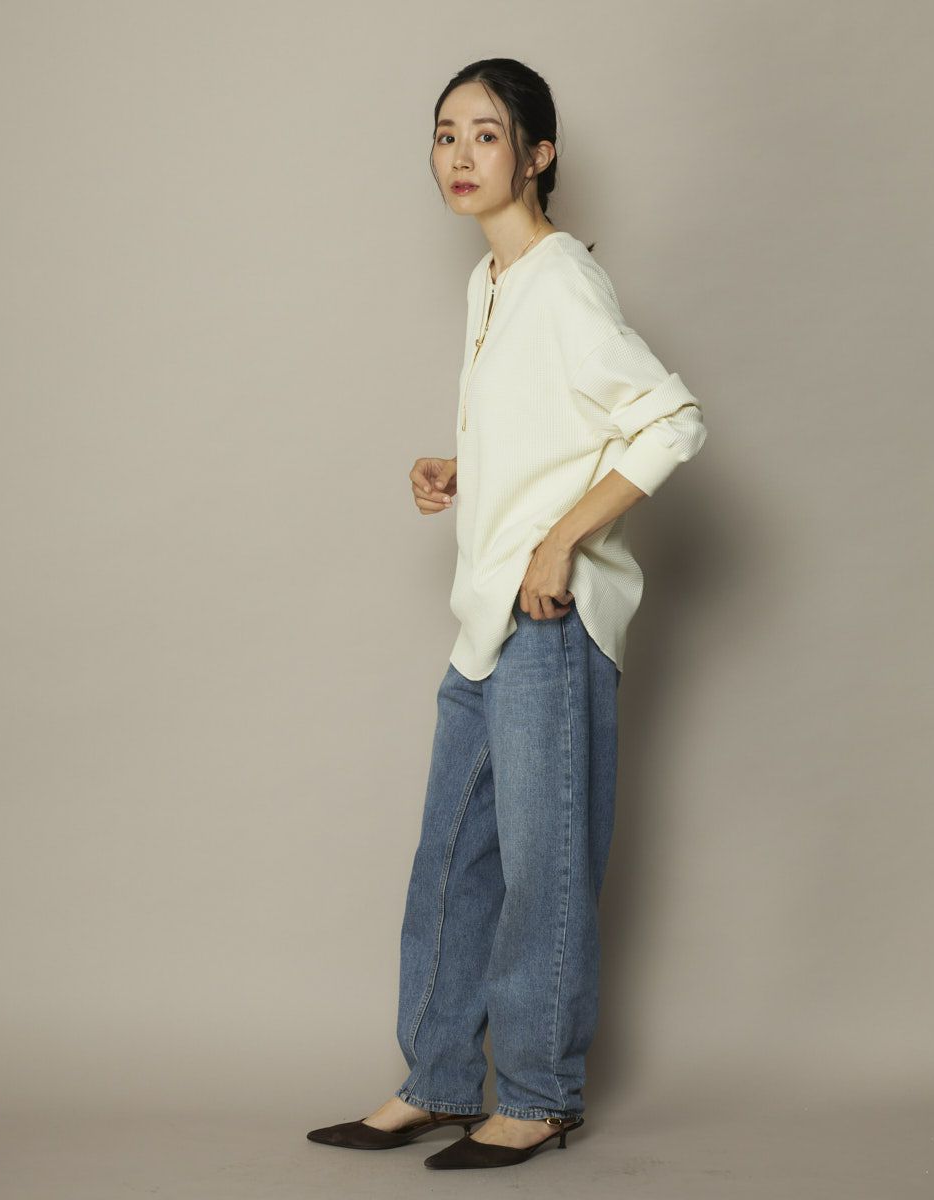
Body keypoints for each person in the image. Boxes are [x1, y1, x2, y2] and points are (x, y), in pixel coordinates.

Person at [306, 57, 707, 1171]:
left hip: (549, 622)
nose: (460, 155)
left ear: (537, 155)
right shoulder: (493, 282)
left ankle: (536, 1095)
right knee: (452, 861)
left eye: (486, 134)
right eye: (445, 134)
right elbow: (552, 427)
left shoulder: (562, 280)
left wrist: (559, 539)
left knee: (542, 868)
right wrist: (463, 469)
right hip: (485, 617)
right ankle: (436, 1081)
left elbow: (670, 420)